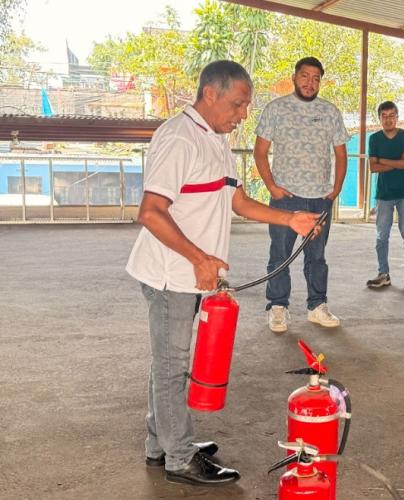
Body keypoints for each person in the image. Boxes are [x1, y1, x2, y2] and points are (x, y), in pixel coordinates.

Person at [126, 60, 320, 486]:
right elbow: (151, 212)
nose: (242, 114)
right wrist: (199, 258)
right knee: (172, 365)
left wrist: (290, 219)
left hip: (190, 274)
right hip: (169, 274)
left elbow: (238, 200)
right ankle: (178, 457)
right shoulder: (179, 138)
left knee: (169, 362)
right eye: (238, 103)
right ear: (210, 94)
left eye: (246, 105)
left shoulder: (215, 138)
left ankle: (161, 444)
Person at [254, 56, 349, 333]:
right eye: (305, 76)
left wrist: (337, 187)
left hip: (320, 198)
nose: (310, 83)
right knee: (280, 253)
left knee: (317, 257)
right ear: (295, 77)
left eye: (316, 78)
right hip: (286, 198)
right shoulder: (276, 109)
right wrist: (271, 186)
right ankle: (278, 307)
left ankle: (316, 306)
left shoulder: (330, 112)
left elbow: (340, 153)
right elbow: (260, 152)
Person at [365, 101, 404, 291]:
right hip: (384, 194)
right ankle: (383, 273)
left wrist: (383, 160)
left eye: (392, 115)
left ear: (397, 117)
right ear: (379, 118)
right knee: (382, 235)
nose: (388, 119)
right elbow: (374, 167)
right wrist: (398, 161)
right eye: (384, 116)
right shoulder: (374, 138)